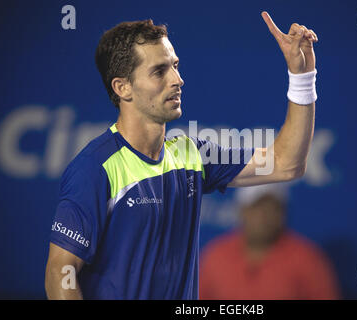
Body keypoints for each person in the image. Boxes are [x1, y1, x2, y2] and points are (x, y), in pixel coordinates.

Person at [44, 12, 320, 299]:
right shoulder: (94, 168)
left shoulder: (192, 155)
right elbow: (60, 272)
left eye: (175, 66)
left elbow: (287, 163)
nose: (178, 80)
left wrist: (302, 76)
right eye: (159, 71)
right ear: (122, 87)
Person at [199, 184, 340, 299]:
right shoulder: (216, 255)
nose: (264, 216)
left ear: (283, 213)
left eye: (272, 208)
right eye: (256, 208)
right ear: (242, 211)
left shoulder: (307, 259)